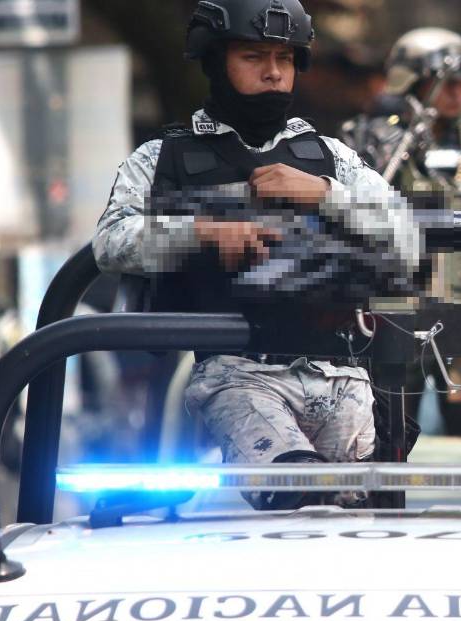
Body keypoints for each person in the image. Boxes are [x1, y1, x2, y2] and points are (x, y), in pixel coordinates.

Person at [93, 0, 421, 509]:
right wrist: (202, 233)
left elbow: (408, 239)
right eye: (253, 57)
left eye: (283, 58)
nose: (272, 72)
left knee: (365, 510)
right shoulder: (161, 159)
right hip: (238, 372)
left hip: (341, 372)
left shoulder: (331, 157)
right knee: (297, 492)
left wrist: (326, 195)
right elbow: (110, 240)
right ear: (215, 60)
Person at [341, 27, 461, 437]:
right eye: (446, 83)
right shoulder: (370, 143)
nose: (457, 94)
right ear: (410, 83)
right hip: (394, 318)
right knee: (384, 434)